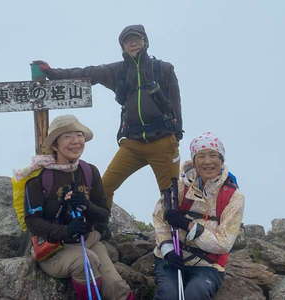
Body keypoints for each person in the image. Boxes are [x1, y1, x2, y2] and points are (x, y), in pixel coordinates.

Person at [32, 24, 183, 238]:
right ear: (122, 46)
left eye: (137, 39)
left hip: (162, 142)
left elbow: (176, 102)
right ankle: (100, 230)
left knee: (171, 197)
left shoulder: (163, 69)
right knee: (103, 187)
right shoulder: (118, 71)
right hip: (132, 144)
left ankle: (174, 241)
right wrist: (53, 73)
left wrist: (176, 134)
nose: (132, 43)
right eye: (127, 40)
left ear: (145, 42)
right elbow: (87, 73)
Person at [18, 115, 134, 300]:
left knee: (117, 287)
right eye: (67, 136)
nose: (76, 141)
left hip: (88, 240)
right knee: (86, 262)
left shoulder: (89, 172)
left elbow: (104, 214)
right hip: (53, 248)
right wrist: (66, 230)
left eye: (79, 135)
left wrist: (86, 206)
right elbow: (33, 222)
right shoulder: (39, 178)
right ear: (55, 145)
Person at [152, 132, 245, 300]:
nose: (207, 161)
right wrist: (167, 250)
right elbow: (160, 218)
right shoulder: (179, 187)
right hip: (171, 258)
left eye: (213, 155)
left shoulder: (234, 197)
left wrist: (188, 225)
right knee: (169, 294)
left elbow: (224, 243)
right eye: (201, 156)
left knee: (196, 294)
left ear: (221, 160)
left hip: (208, 265)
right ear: (194, 161)